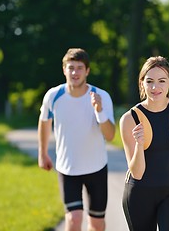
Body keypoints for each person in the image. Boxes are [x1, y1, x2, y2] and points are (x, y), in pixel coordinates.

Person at [38, 48, 115, 231]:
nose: (75, 72)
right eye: (71, 67)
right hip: (68, 168)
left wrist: (99, 110)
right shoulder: (53, 96)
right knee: (73, 219)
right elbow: (44, 123)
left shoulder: (101, 96)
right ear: (64, 69)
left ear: (87, 71)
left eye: (80, 68)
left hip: (96, 167)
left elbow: (110, 135)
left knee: (96, 224)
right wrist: (42, 153)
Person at [119, 56, 169, 231]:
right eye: (150, 81)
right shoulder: (129, 119)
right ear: (142, 84)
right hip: (139, 194)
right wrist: (140, 145)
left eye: (162, 81)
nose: (155, 87)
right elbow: (137, 173)